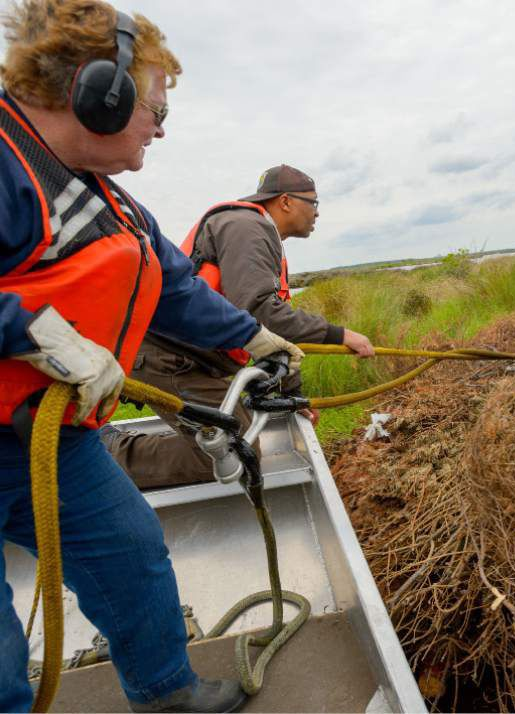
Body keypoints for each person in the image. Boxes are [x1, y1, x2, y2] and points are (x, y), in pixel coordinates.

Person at [0, 1, 304, 711]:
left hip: (41, 438)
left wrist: (252, 338)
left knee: (129, 550)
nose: (162, 128)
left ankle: (164, 693)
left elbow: (170, 286)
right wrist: (39, 334)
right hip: (26, 418)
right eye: (155, 107)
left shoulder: (116, 206)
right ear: (99, 95)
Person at [104, 164, 375, 490]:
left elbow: (272, 336)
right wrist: (342, 335)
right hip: (170, 360)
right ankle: (106, 452)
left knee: (236, 441)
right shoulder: (246, 226)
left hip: (191, 361)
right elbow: (260, 309)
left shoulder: (256, 231)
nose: (317, 213)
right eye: (313, 203)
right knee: (229, 452)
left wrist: (293, 397)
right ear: (286, 201)